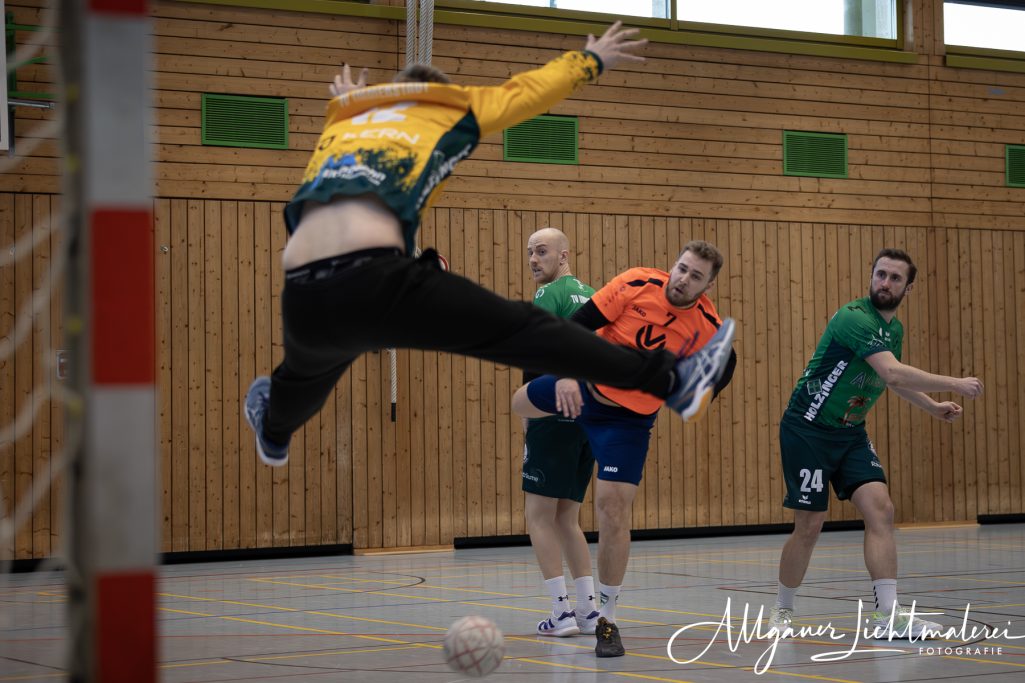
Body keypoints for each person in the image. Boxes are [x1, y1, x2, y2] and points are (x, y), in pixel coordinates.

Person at [242, 22, 736, 469]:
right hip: (375, 279)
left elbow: (355, 120)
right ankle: (673, 383)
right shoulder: (446, 112)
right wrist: (591, 60)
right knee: (523, 328)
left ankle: (275, 430)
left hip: (303, 295)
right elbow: (525, 93)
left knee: (304, 376)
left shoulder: (344, 124)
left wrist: (353, 101)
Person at [512, 240, 738, 657]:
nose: (683, 279)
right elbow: (577, 326)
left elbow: (726, 366)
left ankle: (607, 620)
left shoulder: (707, 325)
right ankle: (576, 609)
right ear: (674, 264)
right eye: (682, 268)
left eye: (695, 276)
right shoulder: (637, 283)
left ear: (708, 286)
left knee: (612, 511)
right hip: (585, 387)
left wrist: (693, 394)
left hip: (627, 423)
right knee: (518, 402)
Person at [767, 248, 984, 639]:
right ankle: (782, 610)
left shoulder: (893, 331)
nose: (885, 282)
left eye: (895, 278)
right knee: (810, 525)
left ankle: (889, 616)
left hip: (850, 433)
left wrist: (932, 407)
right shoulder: (854, 317)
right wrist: (953, 383)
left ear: (908, 288)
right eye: (880, 274)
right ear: (871, 276)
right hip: (808, 430)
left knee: (881, 510)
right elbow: (894, 373)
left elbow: (890, 379)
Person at [521, 227, 600, 638]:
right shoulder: (593, 296)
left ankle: (561, 613)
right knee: (568, 517)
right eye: (530, 253)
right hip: (589, 418)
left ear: (564, 255)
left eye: (542, 251)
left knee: (538, 517)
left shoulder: (547, 294)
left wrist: (529, 409)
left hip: (553, 413)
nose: (534, 260)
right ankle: (588, 611)